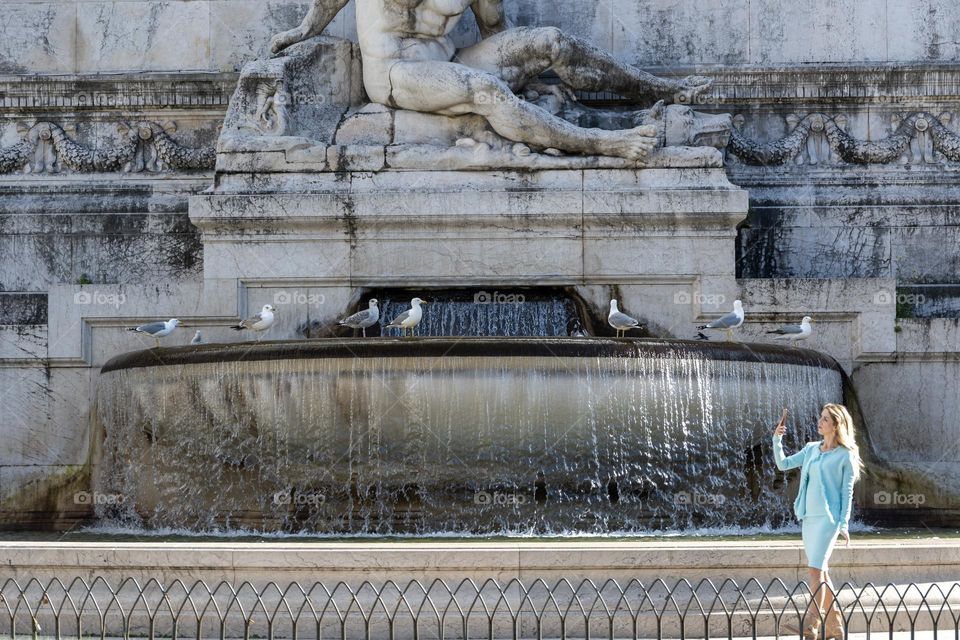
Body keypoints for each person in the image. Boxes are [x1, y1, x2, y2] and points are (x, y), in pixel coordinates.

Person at [269, 0, 712, 160]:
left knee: (551, 41)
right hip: (395, 74)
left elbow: (496, 29)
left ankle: (659, 91)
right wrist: (303, 30)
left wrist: (523, 68)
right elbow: (327, 3)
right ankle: (604, 144)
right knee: (487, 92)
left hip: (451, 59)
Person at [773, 403, 865, 640]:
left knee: (815, 570)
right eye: (821, 418)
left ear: (835, 425)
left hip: (828, 520)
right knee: (821, 573)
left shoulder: (846, 455)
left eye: (825, 419)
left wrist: (843, 524)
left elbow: (847, 493)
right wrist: (776, 441)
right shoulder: (811, 448)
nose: (820, 422)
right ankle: (836, 628)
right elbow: (783, 464)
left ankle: (811, 624)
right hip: (809, 518)